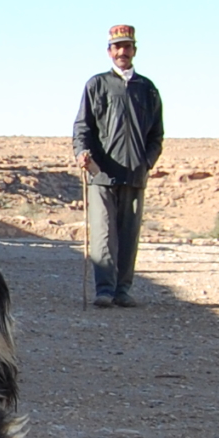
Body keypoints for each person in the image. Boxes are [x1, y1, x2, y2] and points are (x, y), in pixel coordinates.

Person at [73, 24, 163, 308]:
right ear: (109, 51)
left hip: (135, 174)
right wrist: (82, 153)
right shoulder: (96, 85)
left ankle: (123, 290)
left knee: (128, 236)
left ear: (134, 50)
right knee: (103, 234)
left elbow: (156, 135)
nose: (122, 52)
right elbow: (82, 127)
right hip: (102, 174)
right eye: (117, 47)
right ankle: (104, 290)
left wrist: (146, 162)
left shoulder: (147, 89)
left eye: (127, 46)